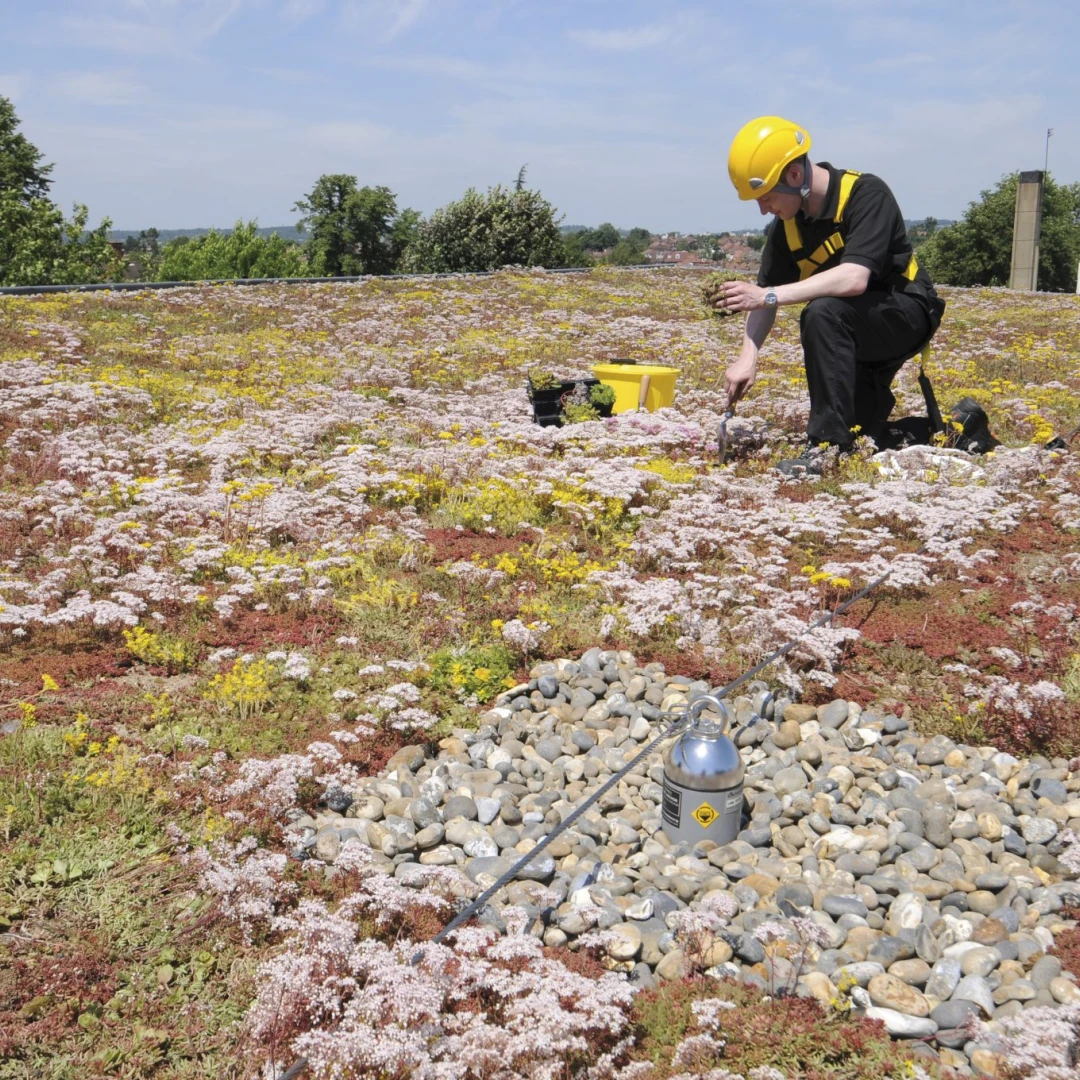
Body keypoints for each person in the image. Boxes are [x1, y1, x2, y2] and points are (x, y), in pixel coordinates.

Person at [717, 116, 945, 474]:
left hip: (905, 313)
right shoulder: (787, 229)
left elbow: (854, 278)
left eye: (766, 197)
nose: (763, 209)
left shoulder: (867, 194)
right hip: (852, 327)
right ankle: (956, 428)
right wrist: (749, 356)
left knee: (822, 311)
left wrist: (770, 296)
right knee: (868, 435)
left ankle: (825, 449)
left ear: (794, 175)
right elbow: (763, 295)